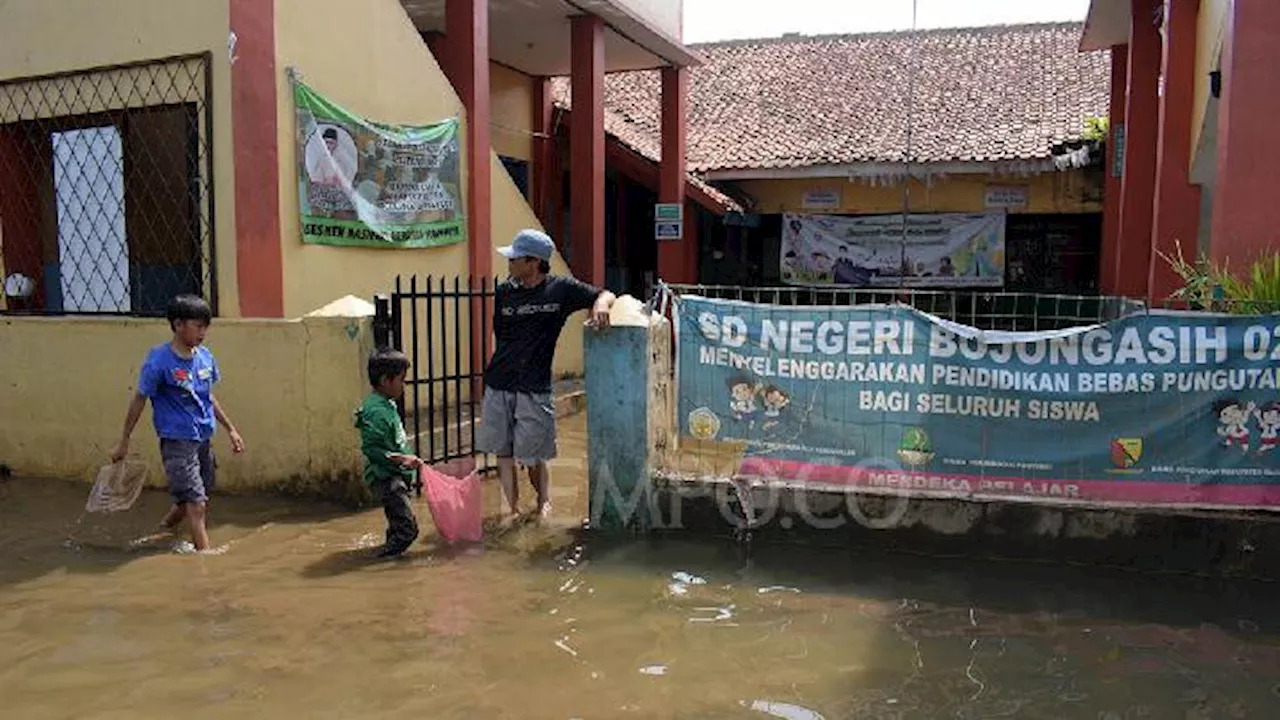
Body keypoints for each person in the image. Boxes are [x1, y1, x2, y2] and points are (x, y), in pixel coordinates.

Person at [476, 228, 616, 523]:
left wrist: (601, 305)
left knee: (533, 456)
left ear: (534, 262)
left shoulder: (561, 290)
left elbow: (603, 293)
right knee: (503, 452)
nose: (509, 263)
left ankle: (543, 504)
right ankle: (511, 510)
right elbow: (501, 335)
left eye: (515, 258)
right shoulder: (504, 293)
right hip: (499, 382)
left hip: (534, 387)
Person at [111, 295, 244, 552]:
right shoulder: (159, 361)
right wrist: (123, 441)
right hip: (177, 441)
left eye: (206, 326)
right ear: (178, 324)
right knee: (197, 504)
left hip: (203, 437)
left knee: (194, 495)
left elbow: (208, 397)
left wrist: (231, 430)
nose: (203, 332)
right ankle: (205, 559)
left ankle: (161, 532)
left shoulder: (205, 357)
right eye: (198, 326)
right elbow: (139, 399)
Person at [354, 349, 424, 558]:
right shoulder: (377, 411)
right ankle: (382, 563)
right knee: (408, 530)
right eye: (401, 380)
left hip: (393, 476)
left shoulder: (386, 404)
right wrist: (403, 459)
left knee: (397, 526)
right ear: (386, 380)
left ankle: (389, 554)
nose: (404, 385)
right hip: (387, 478)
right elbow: (372, 449)